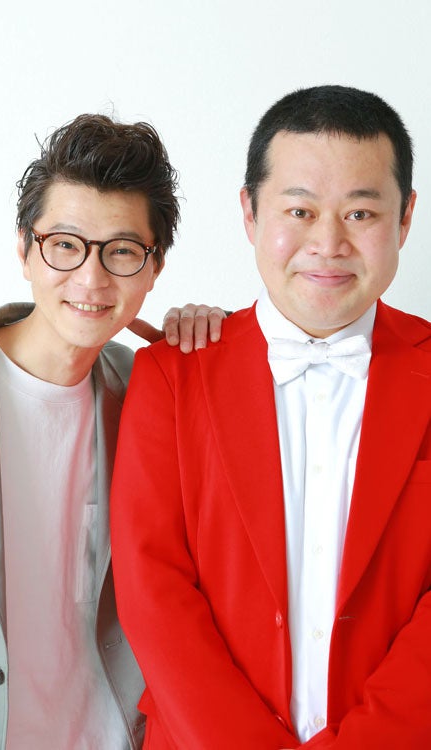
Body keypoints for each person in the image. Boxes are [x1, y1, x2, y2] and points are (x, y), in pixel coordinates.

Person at [110, 85, 431, 749]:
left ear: (405, 220)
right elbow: (153, 591)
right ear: (250, 214)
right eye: (300, 210)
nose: (328, 243)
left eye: (361, 213)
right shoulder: (172, 373)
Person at [0, 113, 224, 749]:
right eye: (65, 244)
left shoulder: (153, 394)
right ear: (24, 248)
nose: (92, 279)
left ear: (154, 267)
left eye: (121, 251)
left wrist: (217, 350)